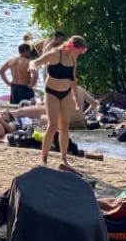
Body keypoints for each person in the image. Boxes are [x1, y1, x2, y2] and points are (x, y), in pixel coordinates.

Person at [31, 35, 86, 168]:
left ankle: (63, 159)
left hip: (66, 93)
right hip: (51, 92)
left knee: (65, 126)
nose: (80, 54)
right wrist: (32, 68)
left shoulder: (73, 58)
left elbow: (73, 78)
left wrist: (75, 98)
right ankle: (43, 159)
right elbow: (35, 62)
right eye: (79, 51)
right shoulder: (55, 54)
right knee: (52, 125)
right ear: (72, 47)